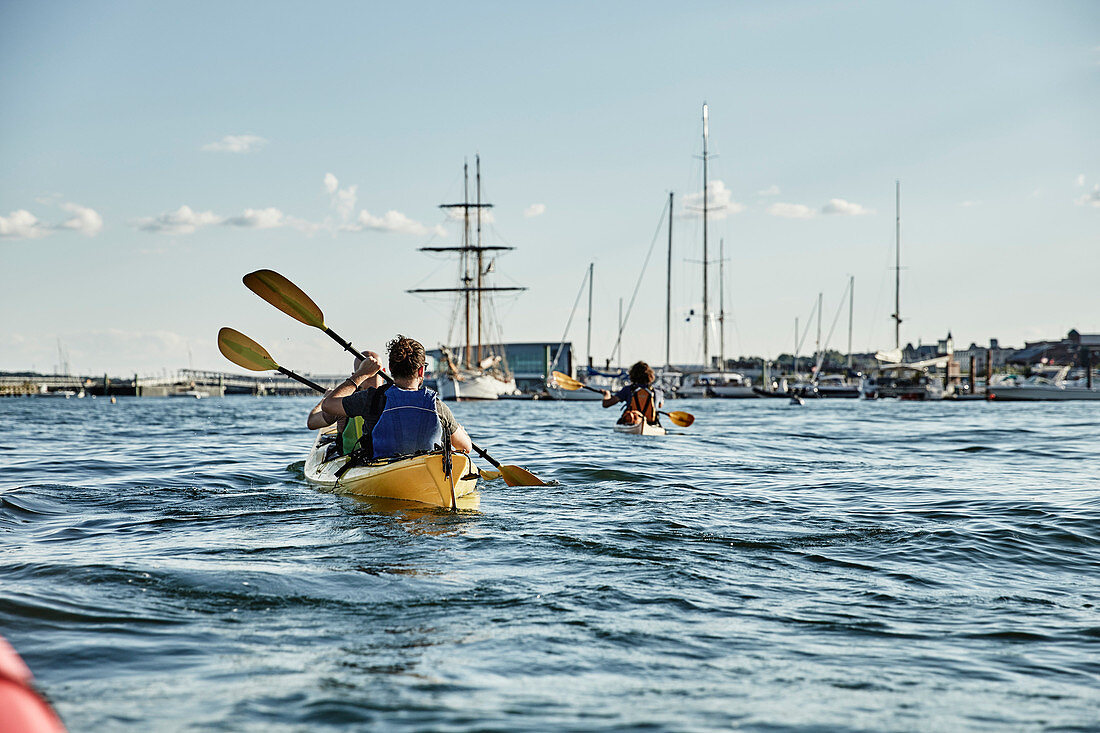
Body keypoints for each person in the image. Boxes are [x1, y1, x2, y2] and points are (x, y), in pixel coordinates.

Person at [321, 335, 472, 459]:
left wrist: (361, 374)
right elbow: (465, 447)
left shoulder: (372, 399)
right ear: (421, 371)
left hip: (380, 473)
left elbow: (328, 405)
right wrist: (462, 432)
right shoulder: (436, 406)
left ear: (391, 369)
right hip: (425, 473)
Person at [307, 356, 386, 456]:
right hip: (355, 461)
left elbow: (312, 421)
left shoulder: (342, 403)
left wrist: (326, 399)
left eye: (372, 375)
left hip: (371, 461)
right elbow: (312, 423)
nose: (369, 379)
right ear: (383, 374)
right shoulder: (394, 396)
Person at [602, 360, 663, 426]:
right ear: (650, 375)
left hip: (631, 423)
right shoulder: (658, 391)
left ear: (632, 375)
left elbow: (606, 404)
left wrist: (606, 395)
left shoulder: (627, 390)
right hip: (651, 423)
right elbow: (660, 405)